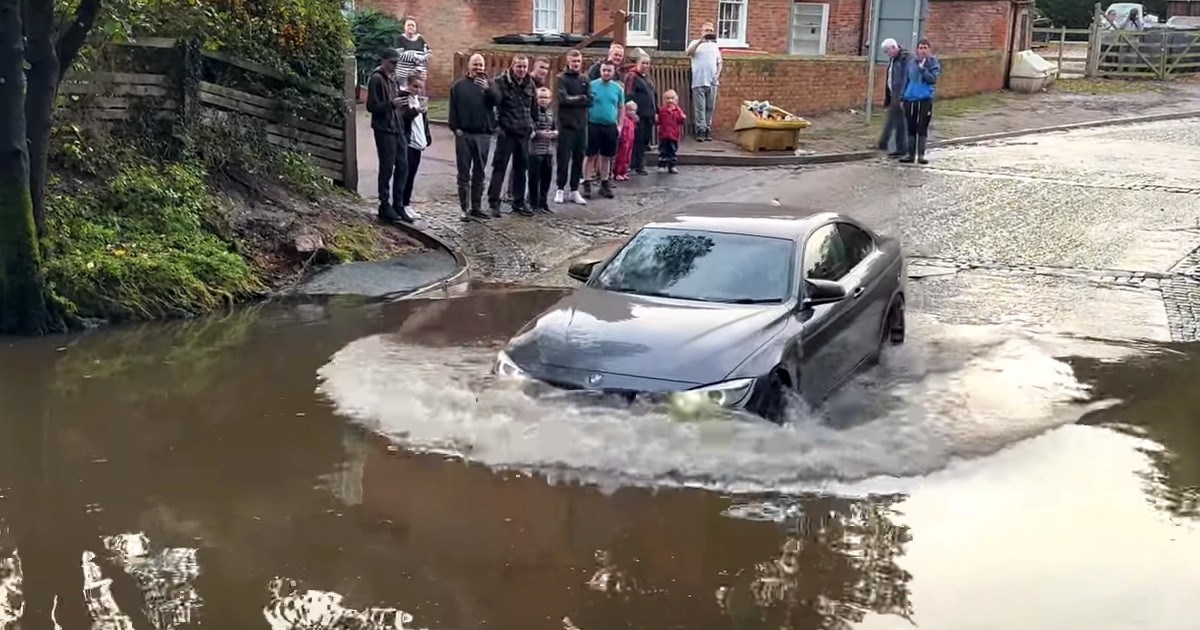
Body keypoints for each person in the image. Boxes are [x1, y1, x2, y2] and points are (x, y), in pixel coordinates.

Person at [366, 48, 414, 223]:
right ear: (383, 60)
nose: (394, 66)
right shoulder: (376, 79)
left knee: (403, 166)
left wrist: (402, 101)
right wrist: (391, 104)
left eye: (396, 62)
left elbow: (394, 104)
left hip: (397, 127)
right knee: (387, 167)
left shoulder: (393, 79)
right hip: (384, 129)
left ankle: (398, 204)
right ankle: (384, 204)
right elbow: (371, 107)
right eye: (392, 62)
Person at [448, 53, 498, 221]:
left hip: (483, 134)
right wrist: (455, 128)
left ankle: (476, 206)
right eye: (475, 64)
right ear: (468, 66)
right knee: (464, 174)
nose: (478, 68)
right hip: (465, 134)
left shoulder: (490, 84)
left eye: (480, 65)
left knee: (480, 172)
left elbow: (498, 101)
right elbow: (453, 108)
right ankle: (464, 208)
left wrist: (487, 89)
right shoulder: (458, 86)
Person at [486, 55, 536, 217]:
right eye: (519, 66)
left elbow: (534, 108)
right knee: (499, 167)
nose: (522, 70)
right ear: (512, 66)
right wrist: (497, 127)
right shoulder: (500, 82)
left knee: (521, 169)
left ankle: (519, 202)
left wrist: (533, 125)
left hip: (524, 132)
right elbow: (491, 106)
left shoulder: (530, 83)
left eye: (524, 67)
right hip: (506, 132)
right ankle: (494, 202)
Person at [553, 49, 591, 206]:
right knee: (563, 158)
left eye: (578, 61)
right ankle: (560, 188)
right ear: (568, 61)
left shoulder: (585, 79)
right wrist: (581, 98)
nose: (576, 64)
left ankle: (574, 190)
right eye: (573, 61)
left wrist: (577, 99)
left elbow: (590, 100)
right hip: (566, 125)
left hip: (581, 125)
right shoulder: (560, 79)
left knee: (578, 158)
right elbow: (563, 99)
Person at [583, 60, 623, 199]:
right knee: (590, 155)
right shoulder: (592, 85)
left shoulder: (617, 88)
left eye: (609, 70)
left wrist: (620, 125)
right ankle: (587, 182)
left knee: (606, 156)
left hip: (610, 125)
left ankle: (604, 183)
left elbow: (621, 107)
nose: (606, 73)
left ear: (613, 72)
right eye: (604, 70)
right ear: (600, 71)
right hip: (593, 124)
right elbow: (586, 104)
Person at [900, 38, 941, 165]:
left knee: (922, 126)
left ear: (929, 49)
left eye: (925, 48)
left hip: (925, 99)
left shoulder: (933, 63)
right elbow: (906, 80)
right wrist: (902, 97)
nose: (922, 50)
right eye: (920, 48)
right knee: (911, 126)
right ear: (917, 50)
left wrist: (923, 69)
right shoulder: (911, 63)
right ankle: (910, 154)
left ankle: (921, 155)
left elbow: (932, 79)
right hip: (910, 98)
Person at [400, 72, 432, 219]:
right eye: (415, 86)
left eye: (420, 87)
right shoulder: (404, 98)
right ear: (409, 85)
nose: (417, 89)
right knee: (404, 176)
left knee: (411, 176)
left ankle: (407, 204)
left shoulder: (418, 100)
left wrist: (427, 136)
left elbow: (422, 122)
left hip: (418, 144)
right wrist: (415, 111)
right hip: (408, 143)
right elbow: (403, 117)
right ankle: (401, 205)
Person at [686, 21, 722, 141]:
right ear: (701, 31)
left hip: (712, 82)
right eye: (707, 30)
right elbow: (688, 53)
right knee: (699, 108)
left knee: (710, 107)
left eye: (711, 31)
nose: (709, 33)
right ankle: (700, 130)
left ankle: (707, 129)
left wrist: (717, 74)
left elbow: (719, 62)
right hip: (698, 80)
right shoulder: (695, 43)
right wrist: (700, 41)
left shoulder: (715, 46)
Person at [624, 54, 658, 176]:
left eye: (647, 63)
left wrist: (656, 112)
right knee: (637, 139)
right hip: (638, 114)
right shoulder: (632, 76)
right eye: (643, 63)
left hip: (649, 113)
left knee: (644, 140)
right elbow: (628, 94)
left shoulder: (648, 78)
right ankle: (637, 165)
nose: (645, 66)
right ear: (637, 63)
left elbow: (653, 96)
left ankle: (638, 163)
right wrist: (632, 112)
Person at [527, 86, 558, 214]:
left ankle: (543, 202)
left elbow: (556, 128)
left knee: (546, 178)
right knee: (534, 178)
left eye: (546, 98)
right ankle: (533, 203)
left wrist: (555, 133)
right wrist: (539, 133)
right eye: (540, 97)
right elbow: (530, 131)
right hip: (535, 151)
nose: (543, 100)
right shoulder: (531, 113)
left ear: (550, 99)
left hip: (548, 151)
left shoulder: (551, 113)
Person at [878, 38, 910, 158]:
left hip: (901, 96)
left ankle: (902, 148)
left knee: (900, 123)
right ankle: (883, 143)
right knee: (892, 120)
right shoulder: (894, 60)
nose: (887, 54)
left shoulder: (905, 59)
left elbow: (906, 79)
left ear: (893, 47)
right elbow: (890, 78)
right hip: (893, 95)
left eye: (887, 51)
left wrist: (903, 97)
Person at [394, 18, 431, 86]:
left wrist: (420, 58)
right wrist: (415, 57)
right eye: (408, 25)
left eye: (412, 25)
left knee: (419, 95)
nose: (410, 27)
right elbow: (399, 55)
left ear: (416, 28)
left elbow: (428, 54)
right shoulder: (399, 39)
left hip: (419, 75)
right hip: (404, 75)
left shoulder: (420, 39)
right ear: (404, 27)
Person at [657, 89, 686, 174]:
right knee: (663, 151)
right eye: (667, 98)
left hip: (673, 135)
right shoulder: (662, 110)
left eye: (672, 98)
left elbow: (681, 121)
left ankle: (672, 166)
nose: (670, 100)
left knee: (672, 151)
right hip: (663, 135)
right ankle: (662, 165)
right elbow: (658, 121)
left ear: (676, 100)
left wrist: (682, 117)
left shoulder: (678, 110)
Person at [613, 101, 638, 181]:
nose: (632, 112)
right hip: (624, 141)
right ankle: (617, 173)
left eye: (634, 110)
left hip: (630, 140)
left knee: (627, 157)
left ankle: (624, 172)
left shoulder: (632, 120)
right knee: (621, 157)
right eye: (630, 110)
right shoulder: (624, 119)